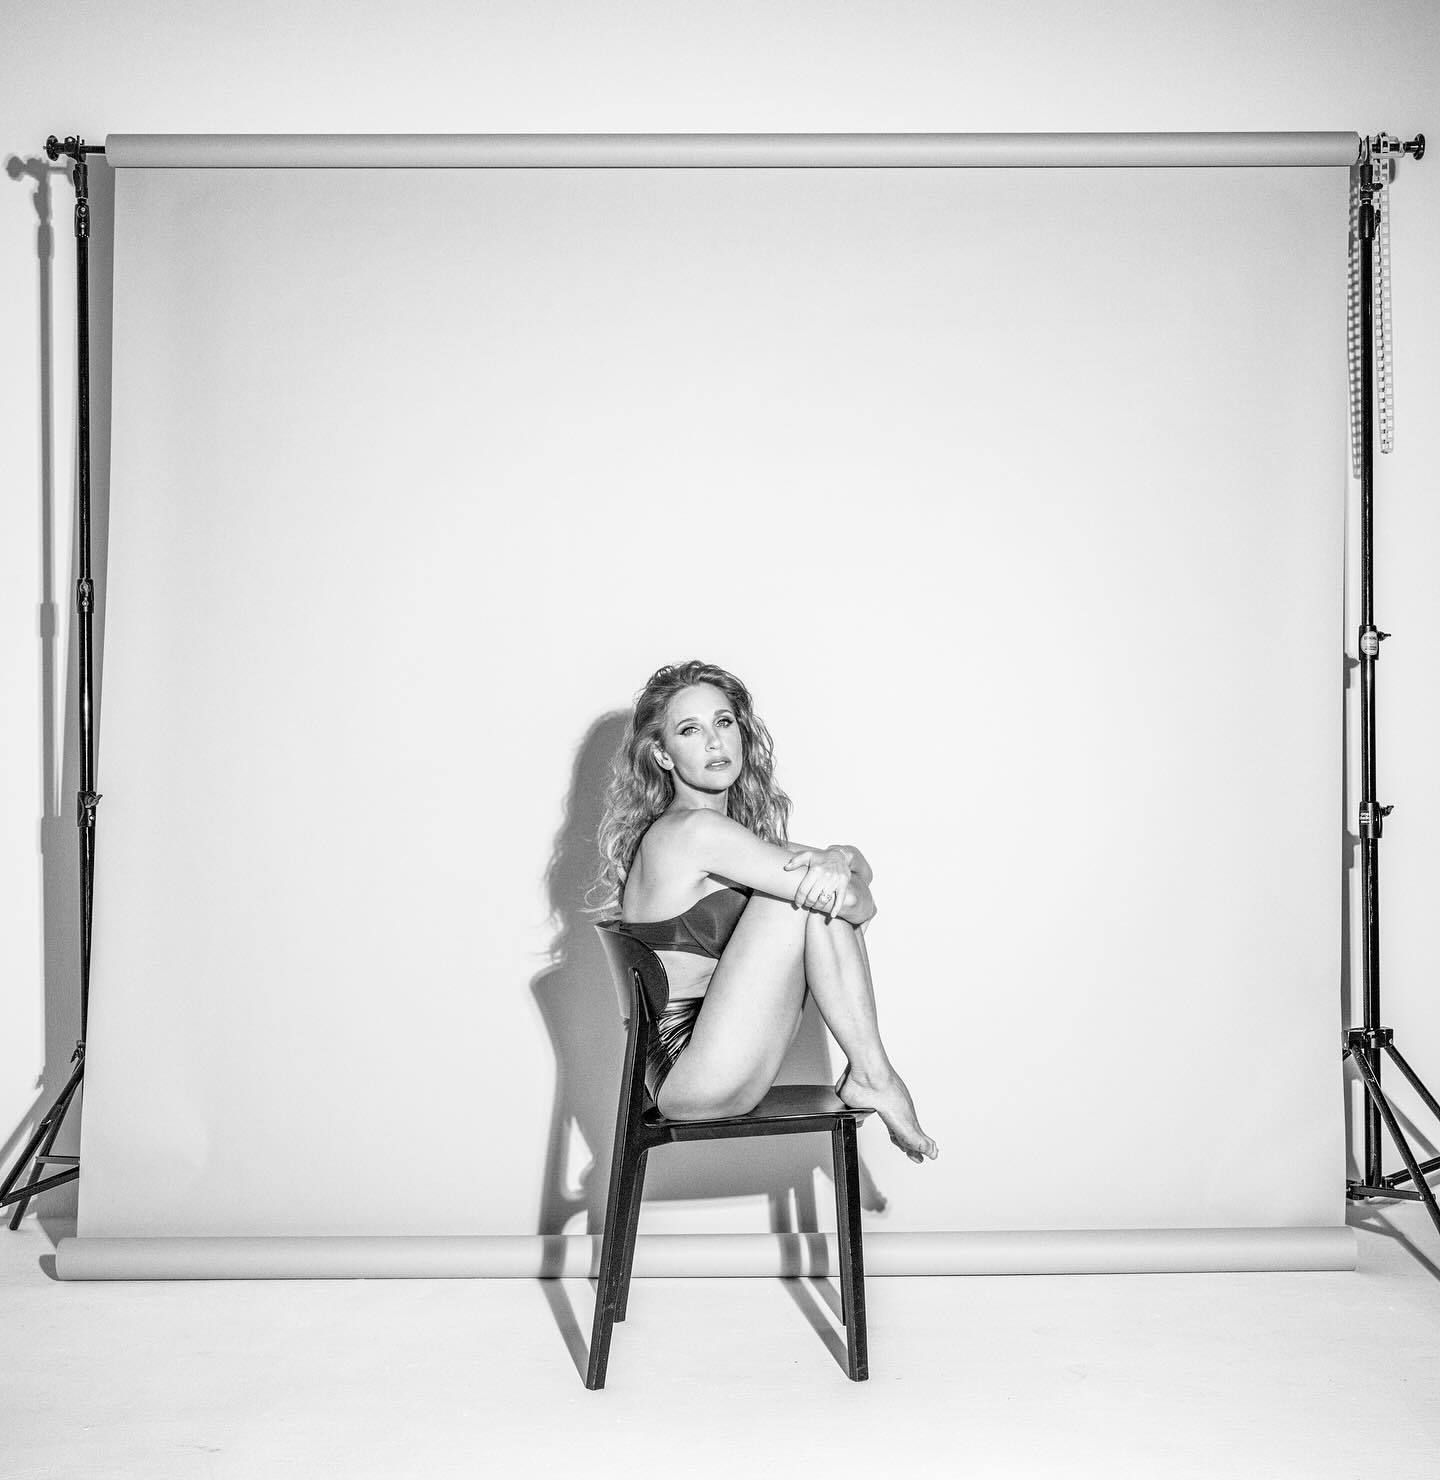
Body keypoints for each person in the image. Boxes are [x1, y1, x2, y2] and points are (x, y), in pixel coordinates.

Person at [590, 659, 938, 1163]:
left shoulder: (735, 840)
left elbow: (861, 895)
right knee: (801, 896)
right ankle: (872, 1074)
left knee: (808, 892)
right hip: (691, 1077)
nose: (715, 742)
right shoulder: (690, 832)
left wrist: (837, 857)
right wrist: (835, 870)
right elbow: (848, 901)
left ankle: (871, 1074)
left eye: (724, 722)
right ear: (663, 755)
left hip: (728, 1063)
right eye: (690, 730)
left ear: (742, 733)